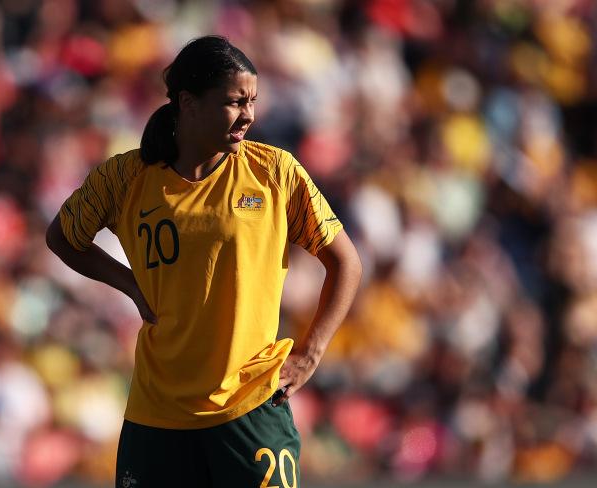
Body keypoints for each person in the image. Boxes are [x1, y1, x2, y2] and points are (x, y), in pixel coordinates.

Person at [45, 35, 362, 487]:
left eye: (252, 101)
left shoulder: (274, 173)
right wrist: (130, 283)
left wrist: (310, 354)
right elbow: (62, 237)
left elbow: (346, 262)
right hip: (157, 416)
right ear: (189, 103)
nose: (248, 115)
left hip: (250, 409)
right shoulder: (125, 177)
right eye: (235, 102)